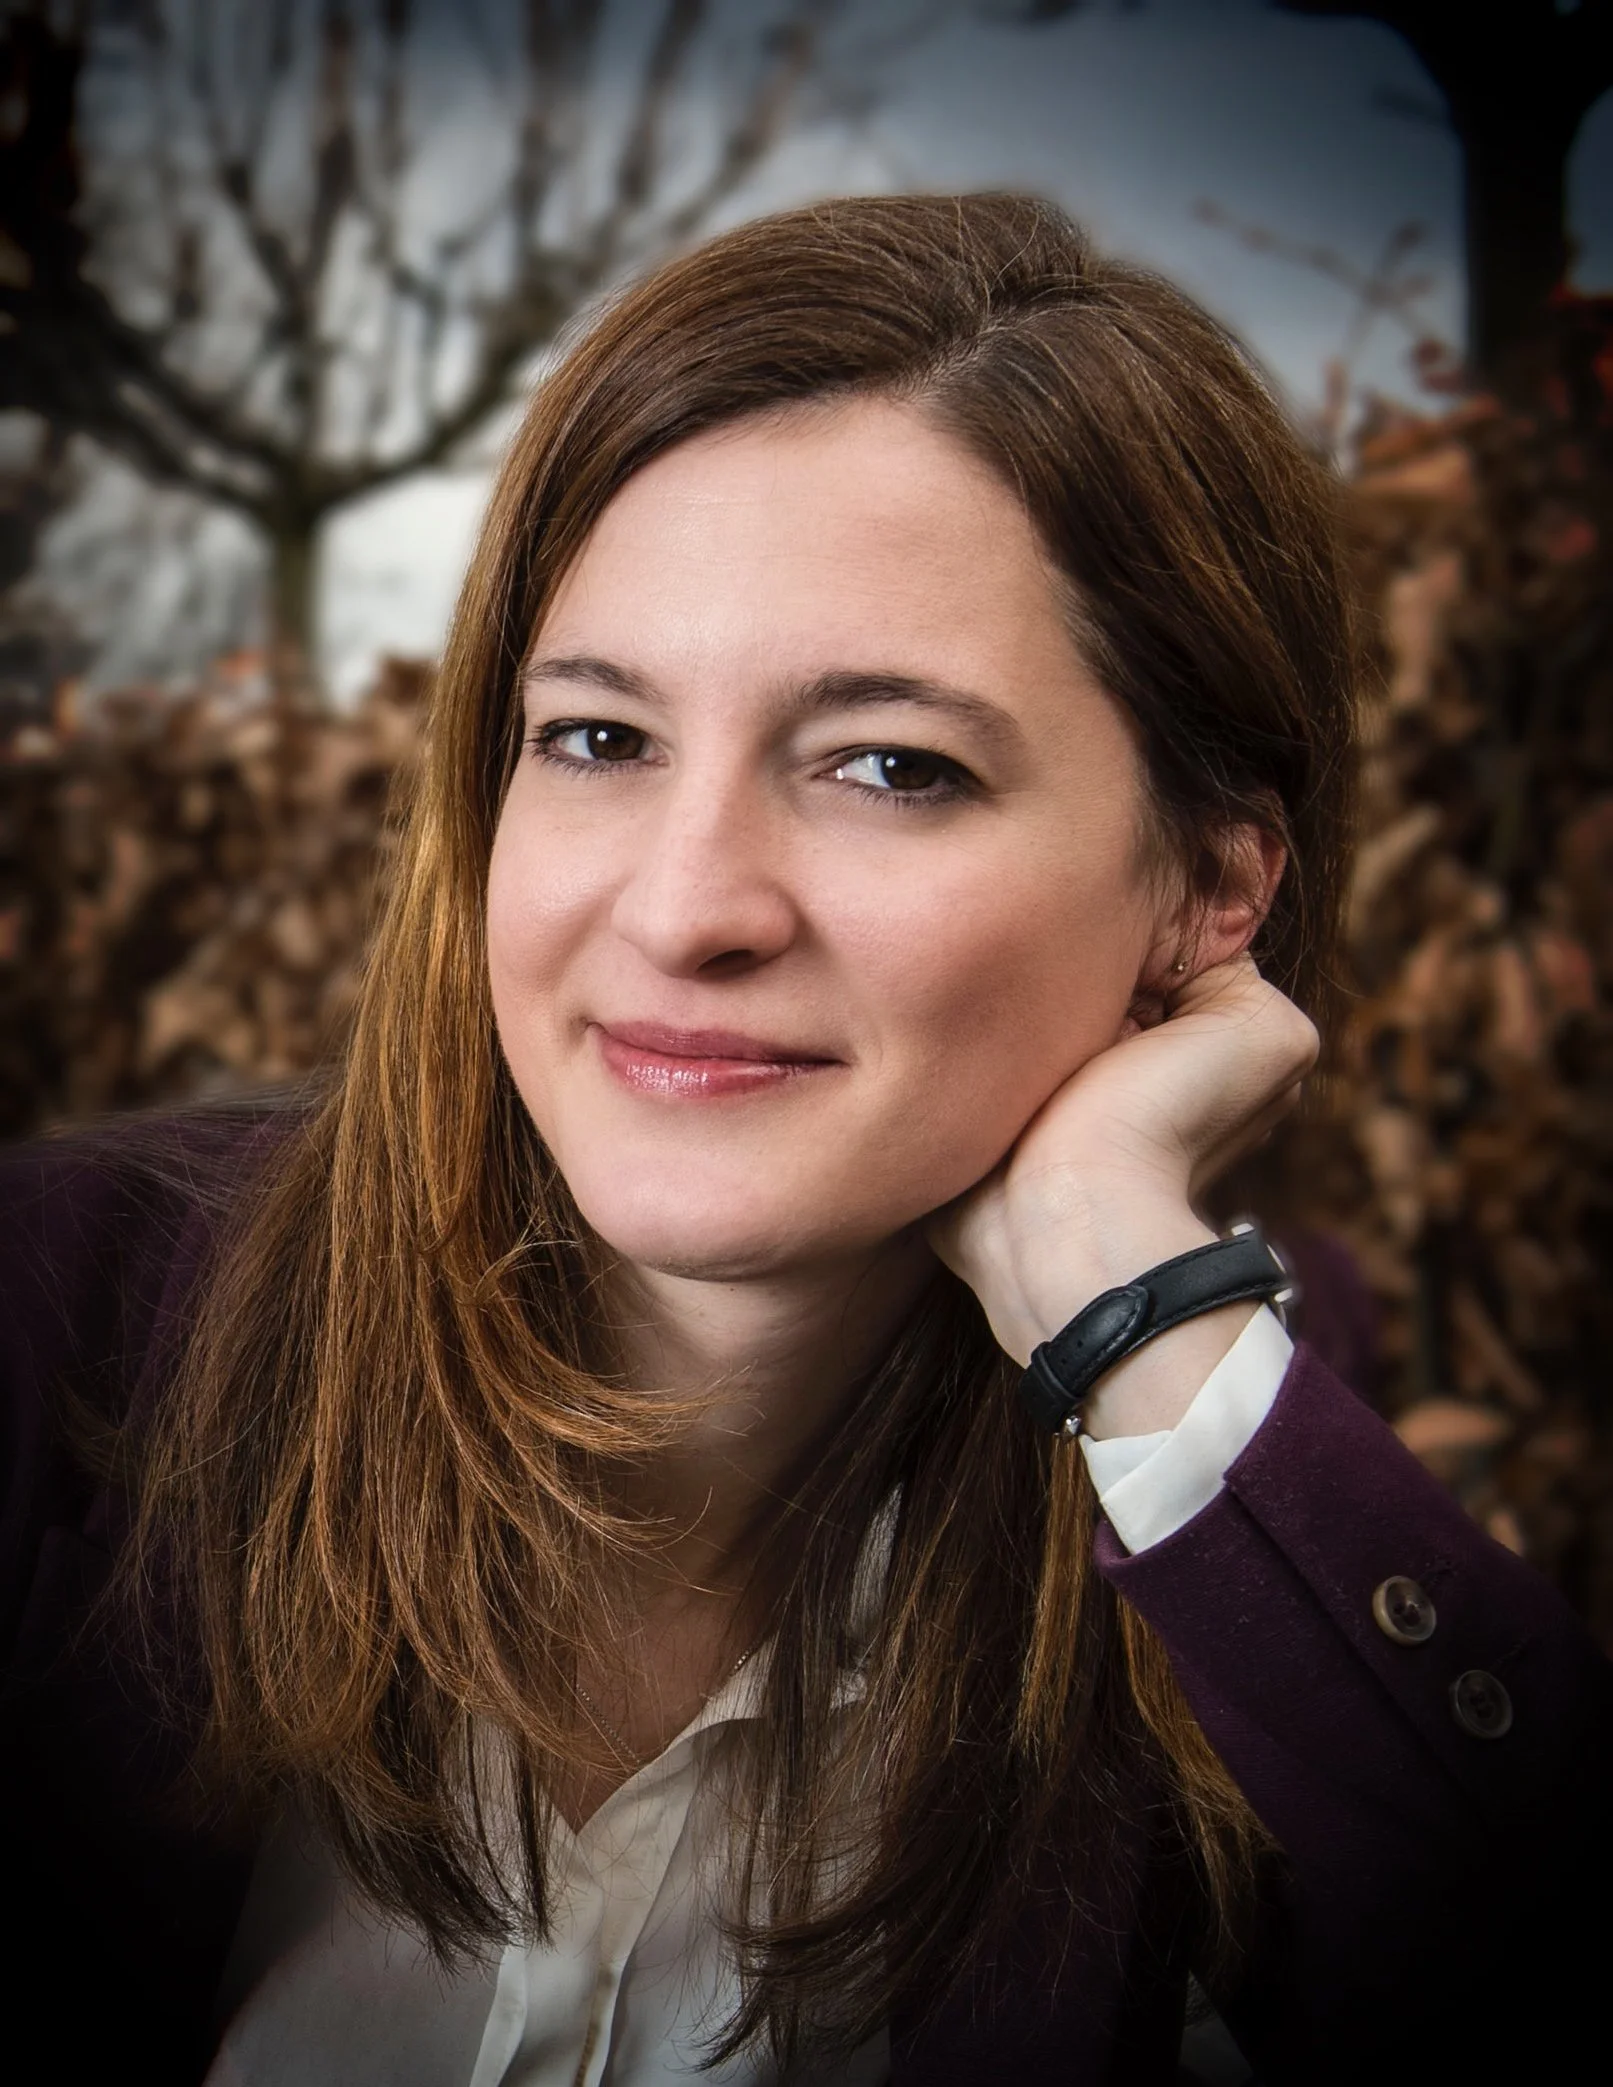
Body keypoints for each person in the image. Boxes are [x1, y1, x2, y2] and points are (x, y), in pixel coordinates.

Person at [3, 193, 1608, 2087]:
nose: (688, 910)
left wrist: (1117, 1293)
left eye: (892, 767)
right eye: (598, 738)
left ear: (1208, 885)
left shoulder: (1227, 1483)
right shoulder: (67, 1322)